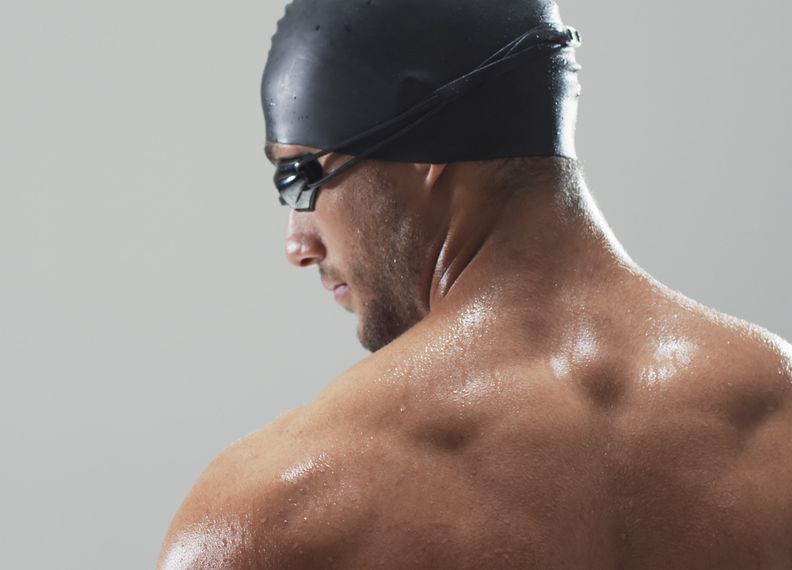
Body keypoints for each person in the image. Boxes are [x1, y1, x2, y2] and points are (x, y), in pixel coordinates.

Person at [158, 0, 792, 567]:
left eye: (300, 176)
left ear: (427, 149)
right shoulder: (777, 418)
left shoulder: (275, 509)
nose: (299, 243)